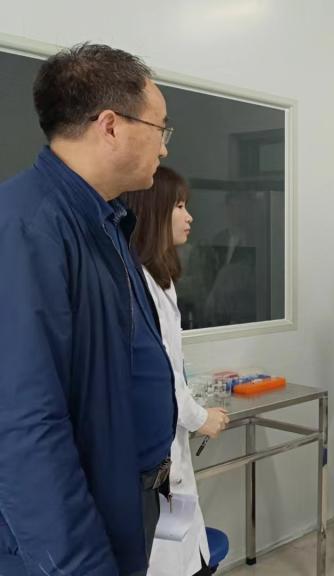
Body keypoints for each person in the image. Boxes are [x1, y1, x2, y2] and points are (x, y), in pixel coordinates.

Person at [0, 43, 177, 575]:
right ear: (111, 125)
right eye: (161, 128)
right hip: (72, 531)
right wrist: (78, 564)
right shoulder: (28, 227)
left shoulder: (103, 221)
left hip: (124, 492)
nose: (164, 147)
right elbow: (24, 424)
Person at [122, 167, 232, 576]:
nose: (190, 217)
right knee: (167, 555)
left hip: (170, 448)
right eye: (180, 206)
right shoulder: (138, 283)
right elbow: (160, 376)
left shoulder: (161, 277)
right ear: (153, 211)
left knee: (183, 546)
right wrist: (201, 417)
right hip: (155, 449)